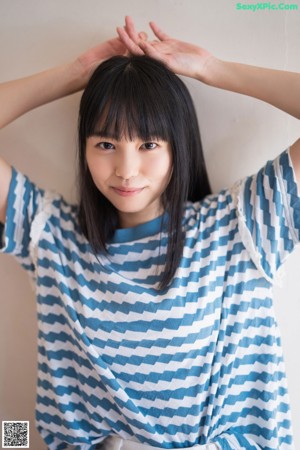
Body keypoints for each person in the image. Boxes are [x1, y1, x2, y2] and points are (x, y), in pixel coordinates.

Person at [0, 15, 299, 450]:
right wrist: (74, 75)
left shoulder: (241, 226)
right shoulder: (51, 235)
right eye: (105, 144)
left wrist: (213, 69)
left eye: (149, 144)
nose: (126, 170)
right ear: (84, 148)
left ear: (178, 145)